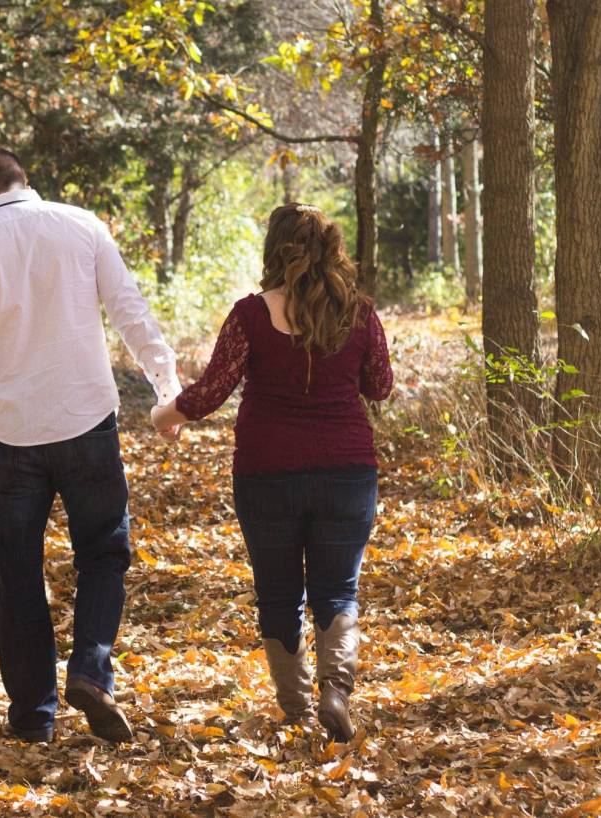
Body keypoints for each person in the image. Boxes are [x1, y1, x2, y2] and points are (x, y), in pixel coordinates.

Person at [0, 147, 180, 744]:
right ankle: (90, 667)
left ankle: (34, 717)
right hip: (86, 421)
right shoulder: (82, 226)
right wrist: (168, 389)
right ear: (23, 182)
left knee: (18, 574)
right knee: (104, 554)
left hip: (10, 436)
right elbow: (130, 313)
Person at [150, 203, 392, 742]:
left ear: (274, 250)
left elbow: (211, 392)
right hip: (347, 473)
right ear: (331, 249)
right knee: (338, 591)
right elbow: (379, 386)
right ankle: (336, 689)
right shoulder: (358, 312)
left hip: (267, 474)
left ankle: (297, 708)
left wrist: (162, 415)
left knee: (279, 594)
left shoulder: (251, 315)